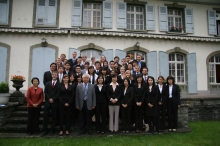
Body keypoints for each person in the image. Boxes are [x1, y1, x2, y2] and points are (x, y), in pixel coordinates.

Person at [42, 71, 60, 136]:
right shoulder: (47, 83)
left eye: (55, 75)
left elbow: (58, 93)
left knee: (54, 117)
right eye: (53, 75)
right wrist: (49, 98)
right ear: (51, 76)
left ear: (57, 76)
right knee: (45, 116)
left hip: (55, 103)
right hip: (47, 102)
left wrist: (53, 99)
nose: (54, 76)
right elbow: (45, 92)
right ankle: (44, 130)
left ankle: (52, 130)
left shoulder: (59, 84)